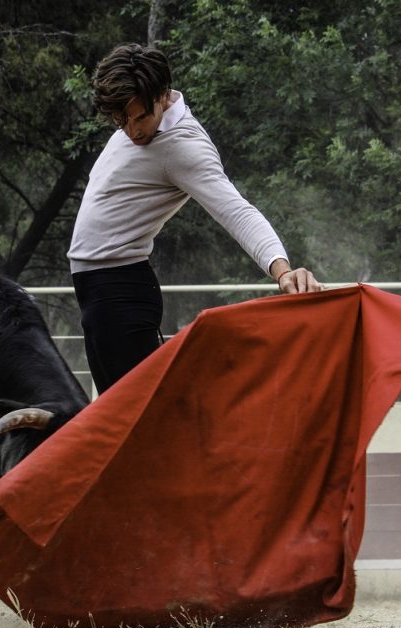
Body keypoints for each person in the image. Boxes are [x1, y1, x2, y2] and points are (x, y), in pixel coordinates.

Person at [68, 43, 323, 394]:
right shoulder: (138, 113)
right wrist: (132, 116)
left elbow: (237, 211)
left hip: (121, 294)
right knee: (118, 424)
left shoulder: (183, 146)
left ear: (161, 96)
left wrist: (283, 270)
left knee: (136, 426)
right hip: (98, 294)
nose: (131, 130)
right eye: (120, 120)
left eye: (140, 117)